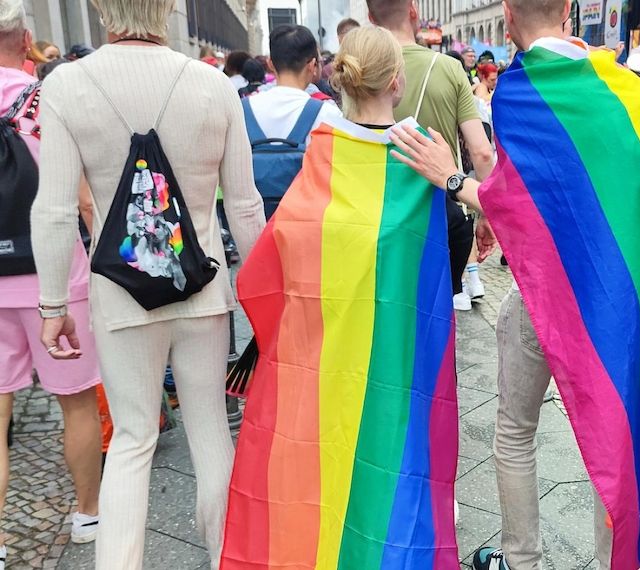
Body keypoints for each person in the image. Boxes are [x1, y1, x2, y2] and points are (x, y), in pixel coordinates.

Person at [390, 0, 640, 567]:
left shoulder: (519, 89)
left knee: (514, 431)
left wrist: (450, 174)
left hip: (543, 299)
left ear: (509, 15)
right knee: (613, 436)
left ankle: (523, 560)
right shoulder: (625, 90)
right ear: (568, 10)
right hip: (613, 301)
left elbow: (514, 197)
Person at [29, 0, 265, 567]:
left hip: (119, 293)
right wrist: (260, 298)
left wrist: (52, 303)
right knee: (211, 434)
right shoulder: (213, 87)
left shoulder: (68, 85)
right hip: (202, 288)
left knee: (133, 441)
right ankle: (225, 558)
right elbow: (244, 205)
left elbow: (57, 209)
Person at [220, 25, 465, 569]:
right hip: (397, 361)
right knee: (393, 466)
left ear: (338, 81)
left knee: (320, 467)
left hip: (321, 357)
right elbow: (451, 247)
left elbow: (271, 265)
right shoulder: (422, 158)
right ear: (397, 82)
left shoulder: (322, 157)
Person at [0, 3, 102, 565]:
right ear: (28, 40)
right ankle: (88, 514)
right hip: (54, 277)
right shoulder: (44, 100)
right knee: (76, 403)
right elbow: (82, 197)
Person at [368, 0, 495, 311]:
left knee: (387, 313)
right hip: (439, 212)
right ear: (414, 12)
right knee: (436, 316)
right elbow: (481, 151)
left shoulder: (363, 68)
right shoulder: (449, 68)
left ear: (371, 18)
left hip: (379, 213)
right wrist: (486, 215)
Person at [243, 24, 343, 218]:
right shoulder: (327, 113)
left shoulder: (242, 109)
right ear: (313, 66)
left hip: (257, 226)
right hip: (308, 226)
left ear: (271, 64)